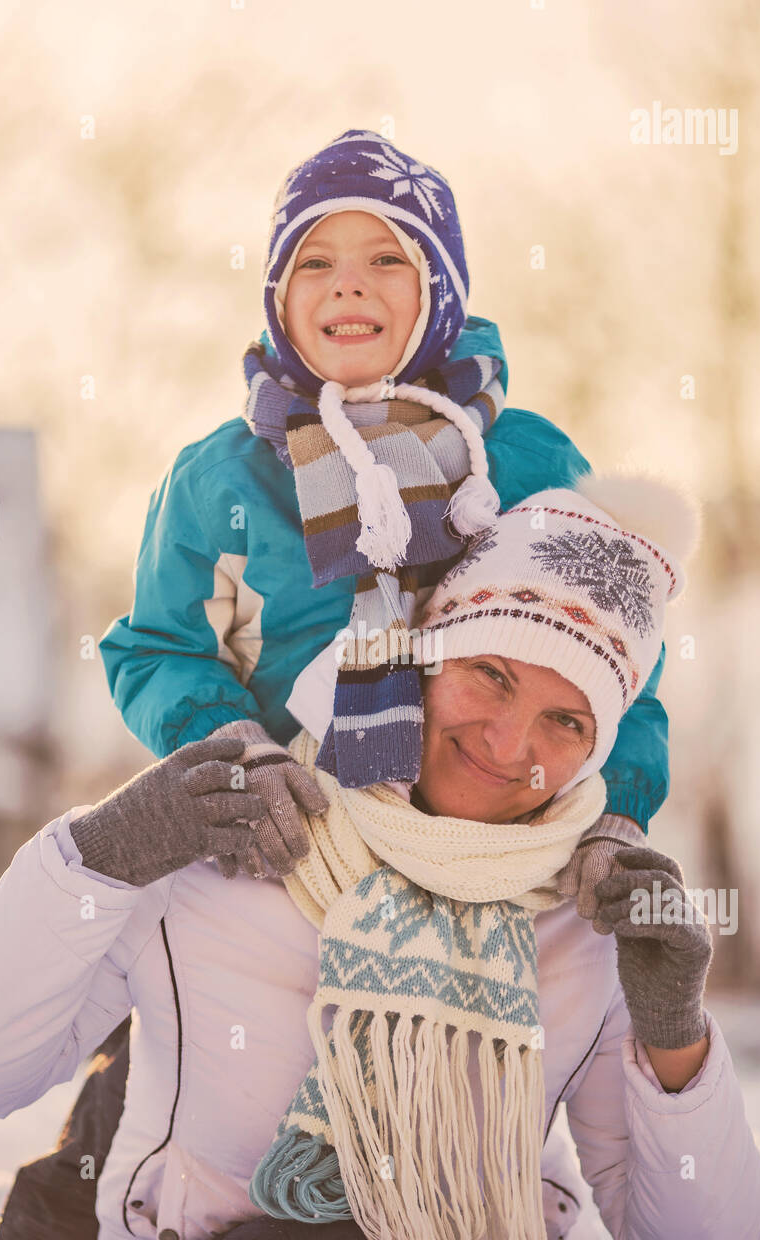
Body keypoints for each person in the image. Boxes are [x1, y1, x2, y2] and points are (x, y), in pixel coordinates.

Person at [0, 473, 760, 1240]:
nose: (507, 740)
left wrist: (675, 1035)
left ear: (594, 752)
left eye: (567, 721)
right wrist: (103, 852)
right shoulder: (235, 837)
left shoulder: (583, 910)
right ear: (421, 656)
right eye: (490, 672)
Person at [97, 126, 669, 916]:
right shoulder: (221, 479)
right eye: (316, 262)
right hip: (293, 850)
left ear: (441, 289)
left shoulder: (524, 460)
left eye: (387, 259)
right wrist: (236, 753)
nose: (349, 286)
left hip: (493, 855)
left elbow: (624, 666)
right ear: (278, 297)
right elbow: (158, 647)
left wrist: (619, 813)